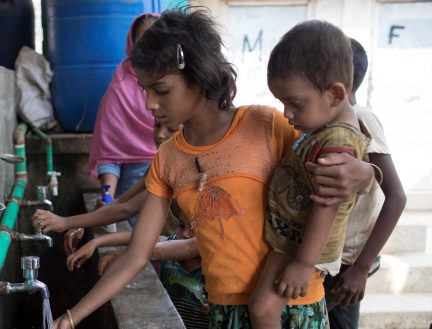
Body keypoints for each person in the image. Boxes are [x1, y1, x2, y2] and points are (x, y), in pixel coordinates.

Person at [53, 9, 376, 329]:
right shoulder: (168, 159)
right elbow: (136, 257)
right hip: (224, 313)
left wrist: (367, 174)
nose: (150, 103)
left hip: (292, 306)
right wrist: (69, 319)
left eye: (162, 90)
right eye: (145, 89)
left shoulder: (267, 125)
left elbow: (337, 157)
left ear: (200, 77)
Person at [248, 20, 369, 329]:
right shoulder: (323, 124)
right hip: (293, 238)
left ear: (335, 94)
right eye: (282, 102)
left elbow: (326, 205)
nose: (287, 113)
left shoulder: (339, 141)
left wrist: (303, 264)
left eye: (295, 103)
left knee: (263, 308)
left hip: (301, 245)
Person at [323, 38, 406, 329]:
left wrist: (361, 268)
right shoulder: (324, 123)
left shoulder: (361, 118)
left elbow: (396, 196)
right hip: (329, 259)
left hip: (346, 263)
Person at [34, 119, 183, 256]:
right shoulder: (159, 164)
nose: (160, 134)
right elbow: (120, 202)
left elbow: (127, 209)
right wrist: (81, 224)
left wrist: (64, 222)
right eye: (157, 125)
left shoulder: (178, 171)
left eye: (171, 129)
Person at [66, 206, 209, 329]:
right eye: (182, 226)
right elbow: (138, 239)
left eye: (193, 229)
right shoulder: (172, 245)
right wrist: (97, 242)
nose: (184, 234)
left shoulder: (215, 270)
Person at [88, 13, 159, 228]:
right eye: (143, 42)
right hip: (129, 194)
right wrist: (108, 199)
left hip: (170, 184)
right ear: (132, 44)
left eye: (156, 40)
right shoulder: (120, 89)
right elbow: (110, 154)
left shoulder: (179, 85)